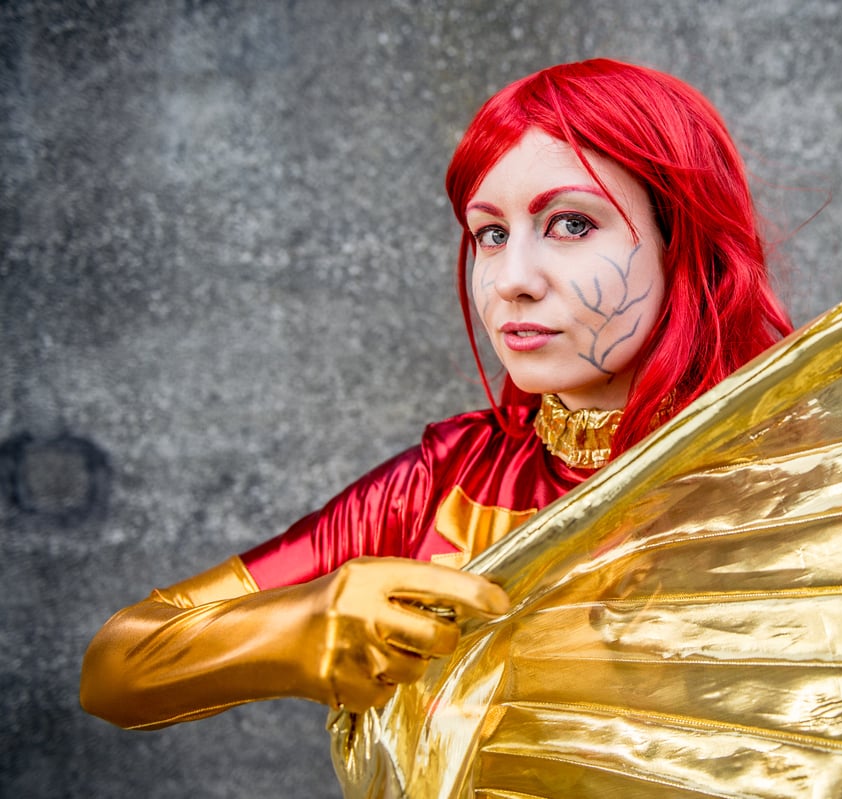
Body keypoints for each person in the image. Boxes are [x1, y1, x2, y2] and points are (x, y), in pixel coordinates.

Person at [79, 58, 793, 730]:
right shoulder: (442, 481)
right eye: (489, 233)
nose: (512, 277)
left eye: (571, 223)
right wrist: (293, 627)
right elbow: (115, 667)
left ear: (683, 238)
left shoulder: (806, 485)